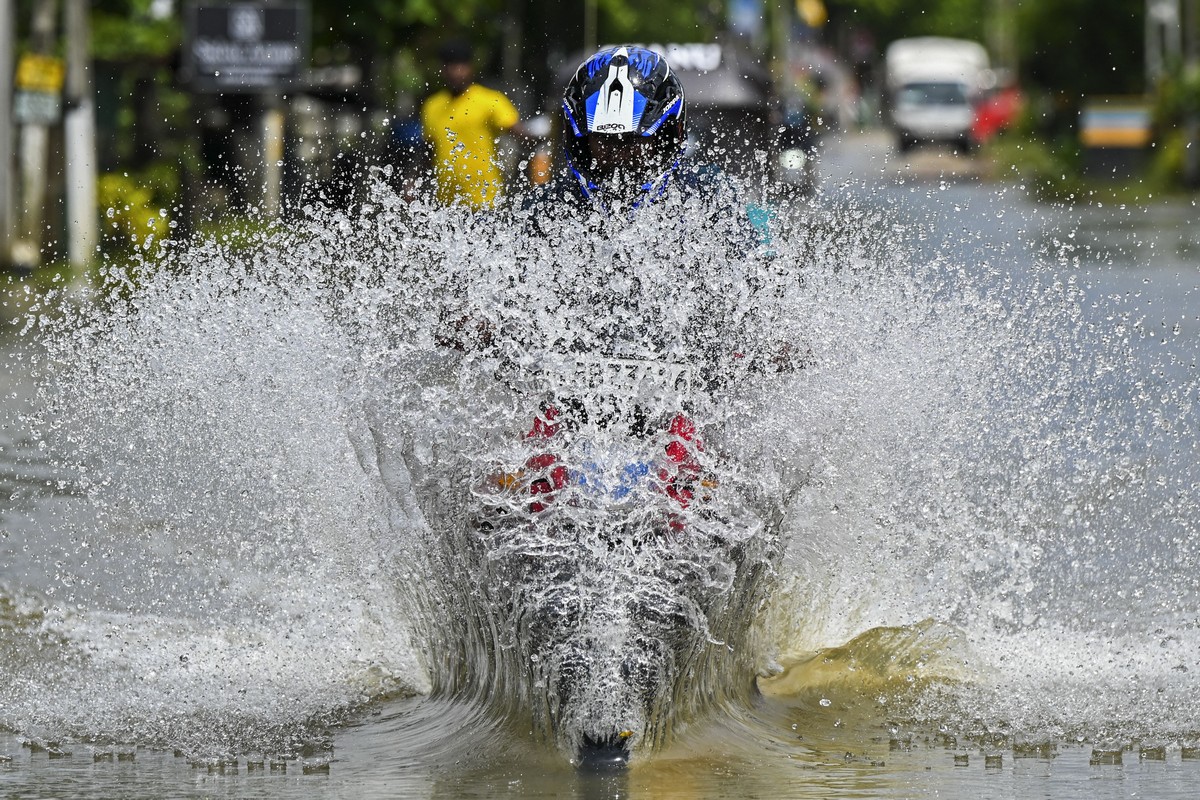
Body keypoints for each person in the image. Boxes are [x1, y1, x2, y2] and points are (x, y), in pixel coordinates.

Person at [421, 40, 523, 209]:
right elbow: (428, 151)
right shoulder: (432, 106)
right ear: (443, 69)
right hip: (446, 204)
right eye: (450, 66)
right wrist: (411, 182)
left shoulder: (490, 100)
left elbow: (518, 132)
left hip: (485, 201)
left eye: (460, 66)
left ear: (471, 68)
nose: (456, 72)